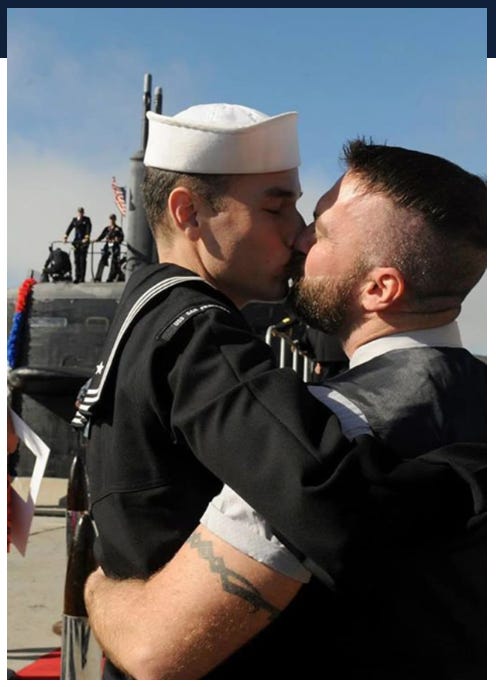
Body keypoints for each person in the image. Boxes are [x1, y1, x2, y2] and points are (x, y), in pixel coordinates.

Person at [85, 140, 486, 679]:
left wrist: (99, 587)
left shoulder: (320, 429)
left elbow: (155, 651)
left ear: (379, 288)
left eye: (321, 232)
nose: (298, 239)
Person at [74, 106, 381, 679]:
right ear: (188, 212)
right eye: (276, 207)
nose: (299, 232)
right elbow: (324, 493)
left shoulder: (144, 314)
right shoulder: (198, 333)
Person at [63, 207, 92, 283]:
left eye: (81, 212)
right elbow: (69, 228)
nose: (80, 213)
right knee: (76, 260)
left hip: (84, 242)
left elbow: (88, 229)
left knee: (82, 259)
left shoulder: (87, 220)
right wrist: (65, 237)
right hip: (76, 242)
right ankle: (77, 277)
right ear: (77, 213)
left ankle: (82, 277)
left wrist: (86, 237)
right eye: (79, 212)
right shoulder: (74, 220)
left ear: (83, 213)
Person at [93, 214, 125, 282]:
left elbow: (122, 237)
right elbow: (102, 236)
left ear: (115, 220)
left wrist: (118, 239)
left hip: (115, 246)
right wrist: (96, 240)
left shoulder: (118, 229)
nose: (111, 220)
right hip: (108, 245)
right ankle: (98, 277)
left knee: (114, 261)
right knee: (102, 260)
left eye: (113, 219)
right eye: (111, 219)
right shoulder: (107, 229)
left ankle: (110, 277)